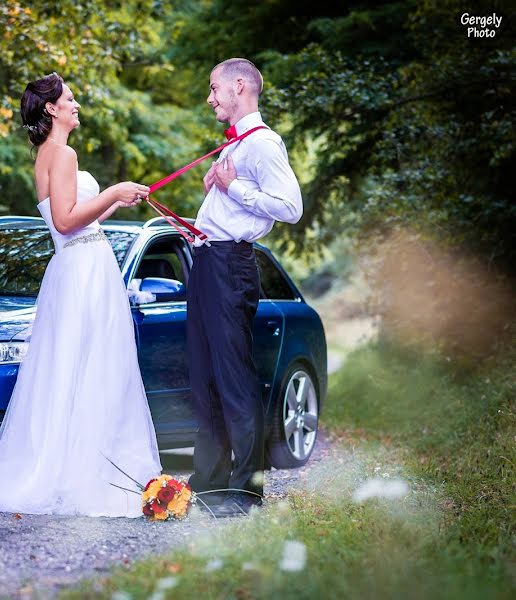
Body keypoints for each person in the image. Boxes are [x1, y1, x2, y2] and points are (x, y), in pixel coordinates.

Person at [0, 73, 162, 517]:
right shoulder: (63, 153)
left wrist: (116, 202)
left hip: (75, 266)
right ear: (51, 109)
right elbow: (68, 221)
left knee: (74, 365)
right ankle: (89, 473)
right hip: (84, 269)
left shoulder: (46, 154)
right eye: (69, 99)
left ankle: (74, 465)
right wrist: (111, 189)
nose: (76, 104)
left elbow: (73, 217)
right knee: (96, 364)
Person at [188, 58, 303, 517]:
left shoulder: (263, 145)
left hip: (230, 266)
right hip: (206, 263)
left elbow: (290, 207)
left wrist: (234, 190)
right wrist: (216, 193)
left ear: (240, 87)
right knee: (206, 379)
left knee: (234, 379)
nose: (210, 98)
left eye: (215, 88)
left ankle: (246, 492)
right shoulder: (234, 146)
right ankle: (209, 485)